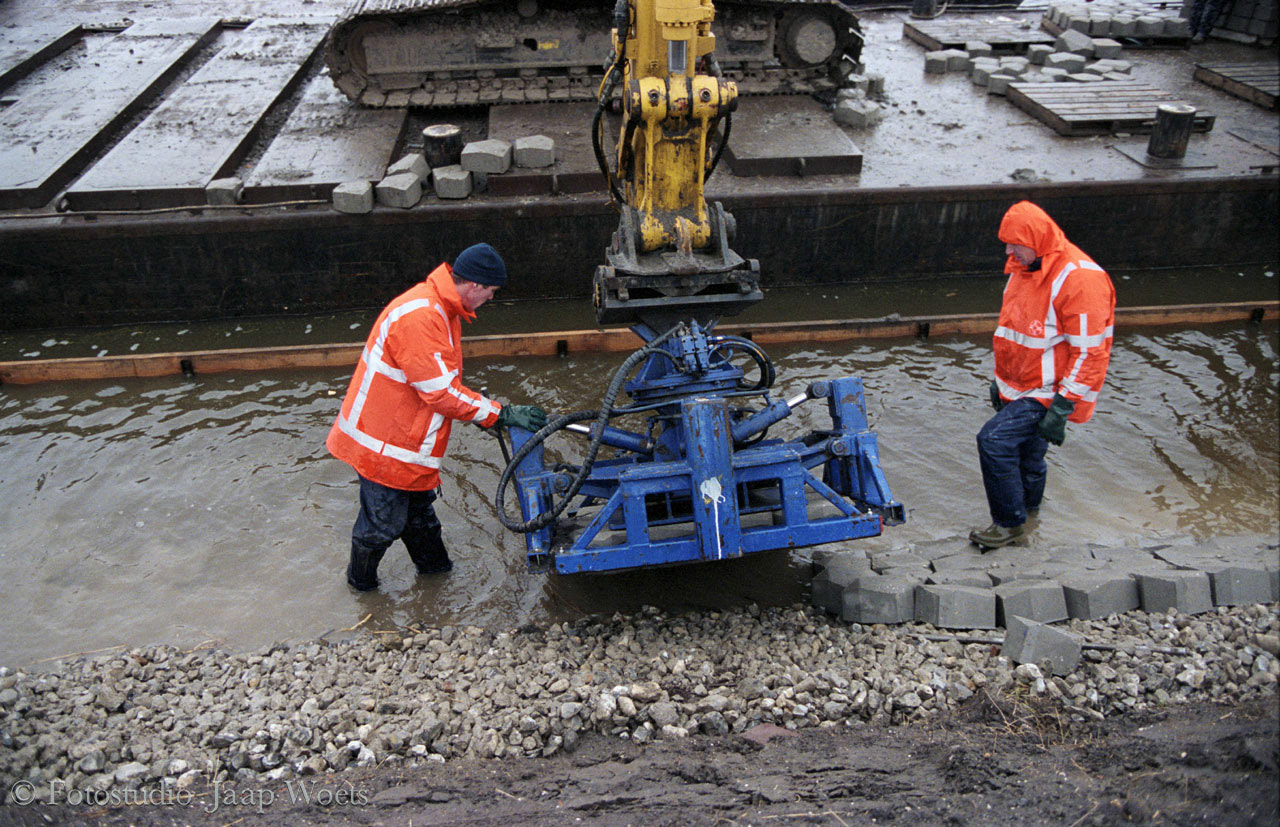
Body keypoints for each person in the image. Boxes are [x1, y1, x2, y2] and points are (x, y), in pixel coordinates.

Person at [326, 243, 547, 590]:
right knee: (380, 527)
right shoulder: (423, 316)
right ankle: (361, 589)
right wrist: (497, 414)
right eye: (490, 292)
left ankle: (436, 582)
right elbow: (441, 393)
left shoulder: (440, 307)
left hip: (402, 444)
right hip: (385, 447)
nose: (490, 299)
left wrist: (483, 412)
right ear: (474, 285)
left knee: (419, 522)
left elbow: (438, 379)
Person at [970, 201, 1116, 551]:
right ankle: (1030, 513)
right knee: (1027, 456)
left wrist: (1063, 406)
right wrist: (999, 381)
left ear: (1036, 239)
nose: (1008, 250)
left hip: (1048, 390)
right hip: (1020, 385)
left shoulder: (1079, 279)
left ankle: (1009, 525)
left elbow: (1090, 352)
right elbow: (1013, 331)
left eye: (1014, 242)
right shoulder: (1025, 268)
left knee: (994, 442)